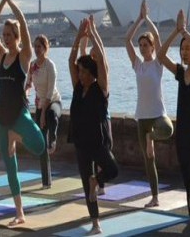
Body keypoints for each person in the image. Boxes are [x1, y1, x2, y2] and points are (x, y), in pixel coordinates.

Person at [0, 0, 45, 226]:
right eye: (5, 36)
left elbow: (23, 25)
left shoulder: (24, 57)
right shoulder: (1, 56)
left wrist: (12, 3)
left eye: (10, 36)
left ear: (17, 37)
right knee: (9, 167)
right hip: (2, 117)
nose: (7, 39)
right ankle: (19, 212)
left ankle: (17, 136)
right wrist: (2, 1)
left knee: (40, 145)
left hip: (19, 113)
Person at [157, 10, 190, 237]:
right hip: (182, 139)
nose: (185, 51)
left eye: (188, 48)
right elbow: (161, 55)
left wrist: (186, 33)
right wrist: (177, 32)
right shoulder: (181, 73)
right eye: (183, 48)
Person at [69, 16, 118, 235]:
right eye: (78, 71)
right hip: (81, 141)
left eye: (82, 71)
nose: (78, 74)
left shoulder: (101, 90)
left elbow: (103, 62)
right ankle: (95, 222)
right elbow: (72, 59)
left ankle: (95, 181)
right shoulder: (78, 89)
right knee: (85, 183)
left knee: (112, 169)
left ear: (91, 73)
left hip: (97, 141)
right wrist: (80, 35)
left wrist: (94, 33)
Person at [125, 0, 174, 207]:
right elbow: (127, 41)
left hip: (157, 114)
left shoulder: (158, 64)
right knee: (149, 160)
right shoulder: (138, 65)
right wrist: (139, 19)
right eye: (141, 45)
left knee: (168, 129)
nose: (143, 48)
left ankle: (150, 138)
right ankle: (154, 197)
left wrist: (149, 20)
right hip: (142, 116)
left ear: (153, 47)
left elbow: (160, 38)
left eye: (146, 45)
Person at [25, 34, 62, 189]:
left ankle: (53, 139)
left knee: (51, 115)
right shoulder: (32, 65)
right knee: (41, 145)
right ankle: (46, 181)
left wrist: (43, 114)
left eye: (39, 46)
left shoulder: (49, 65)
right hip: (40, 104)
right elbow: (28, 84)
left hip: (53, 101)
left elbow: (49, 91)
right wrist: (24, 95)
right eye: (35, 46)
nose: (36, 49)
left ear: (45, 48)